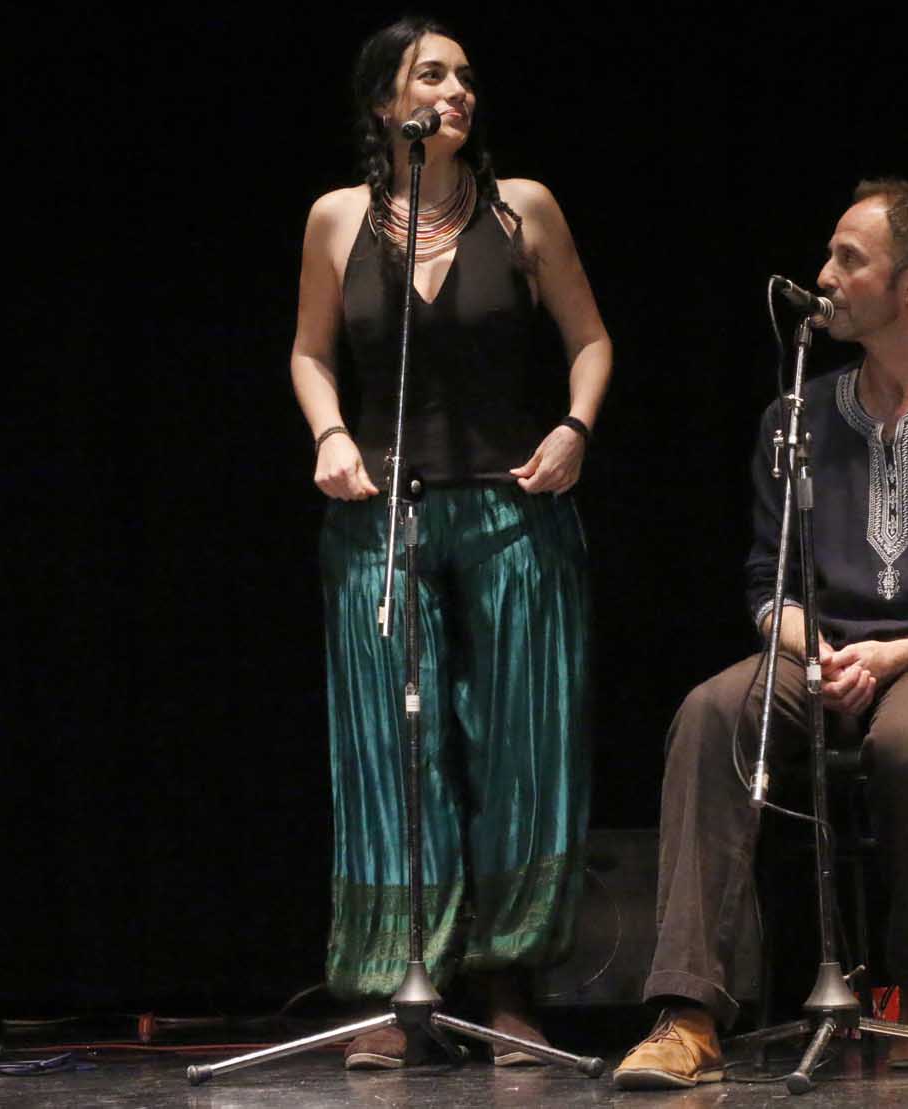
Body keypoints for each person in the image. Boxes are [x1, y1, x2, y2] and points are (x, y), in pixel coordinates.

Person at [613, 178, 908, 1089]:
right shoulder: (795, 416)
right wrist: (816, 650)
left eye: (847, 259)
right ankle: (689, 1013)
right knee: (712, 712)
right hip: (826, 654)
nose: (822, 275)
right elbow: (766, 586)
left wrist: (901, 653)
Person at [288, 17, 611, 1069]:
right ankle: (403, 989)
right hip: (381, 517)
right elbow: (309, 352)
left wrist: (575, 428)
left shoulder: (523, 209)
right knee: (396, 750)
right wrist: (330, 434)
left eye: (466, 75)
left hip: (512, 514)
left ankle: (510, 987)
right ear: (386, 102)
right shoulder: (338, 217)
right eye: (432, 75)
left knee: (518, 748)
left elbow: (591, 339)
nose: (457, 90)